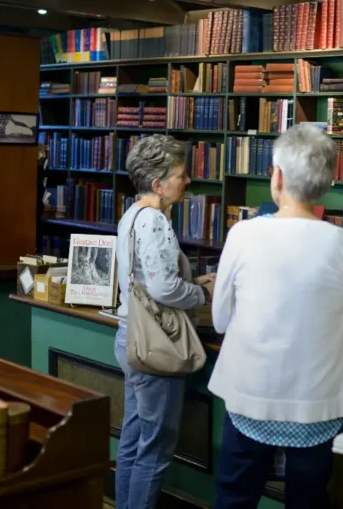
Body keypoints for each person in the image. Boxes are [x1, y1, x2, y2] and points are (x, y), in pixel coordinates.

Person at [209, 124, 343, 509]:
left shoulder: (243, 235)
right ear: (327, 182)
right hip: (317, 403)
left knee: (235, 498)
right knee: (308, 501)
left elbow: (220, 321)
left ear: (278, 177)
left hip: (250, 396)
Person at [114, 135, 215, 509]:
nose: (187, 181)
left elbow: (146, 279)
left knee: (132, 441)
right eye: (180, 175)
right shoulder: (155, 220)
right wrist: (202, 293)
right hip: (157, 346)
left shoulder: (132, 214)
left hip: (131, 338)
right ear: (158, 184)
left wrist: (191, 280)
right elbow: (162, 288)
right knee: (155, 451)